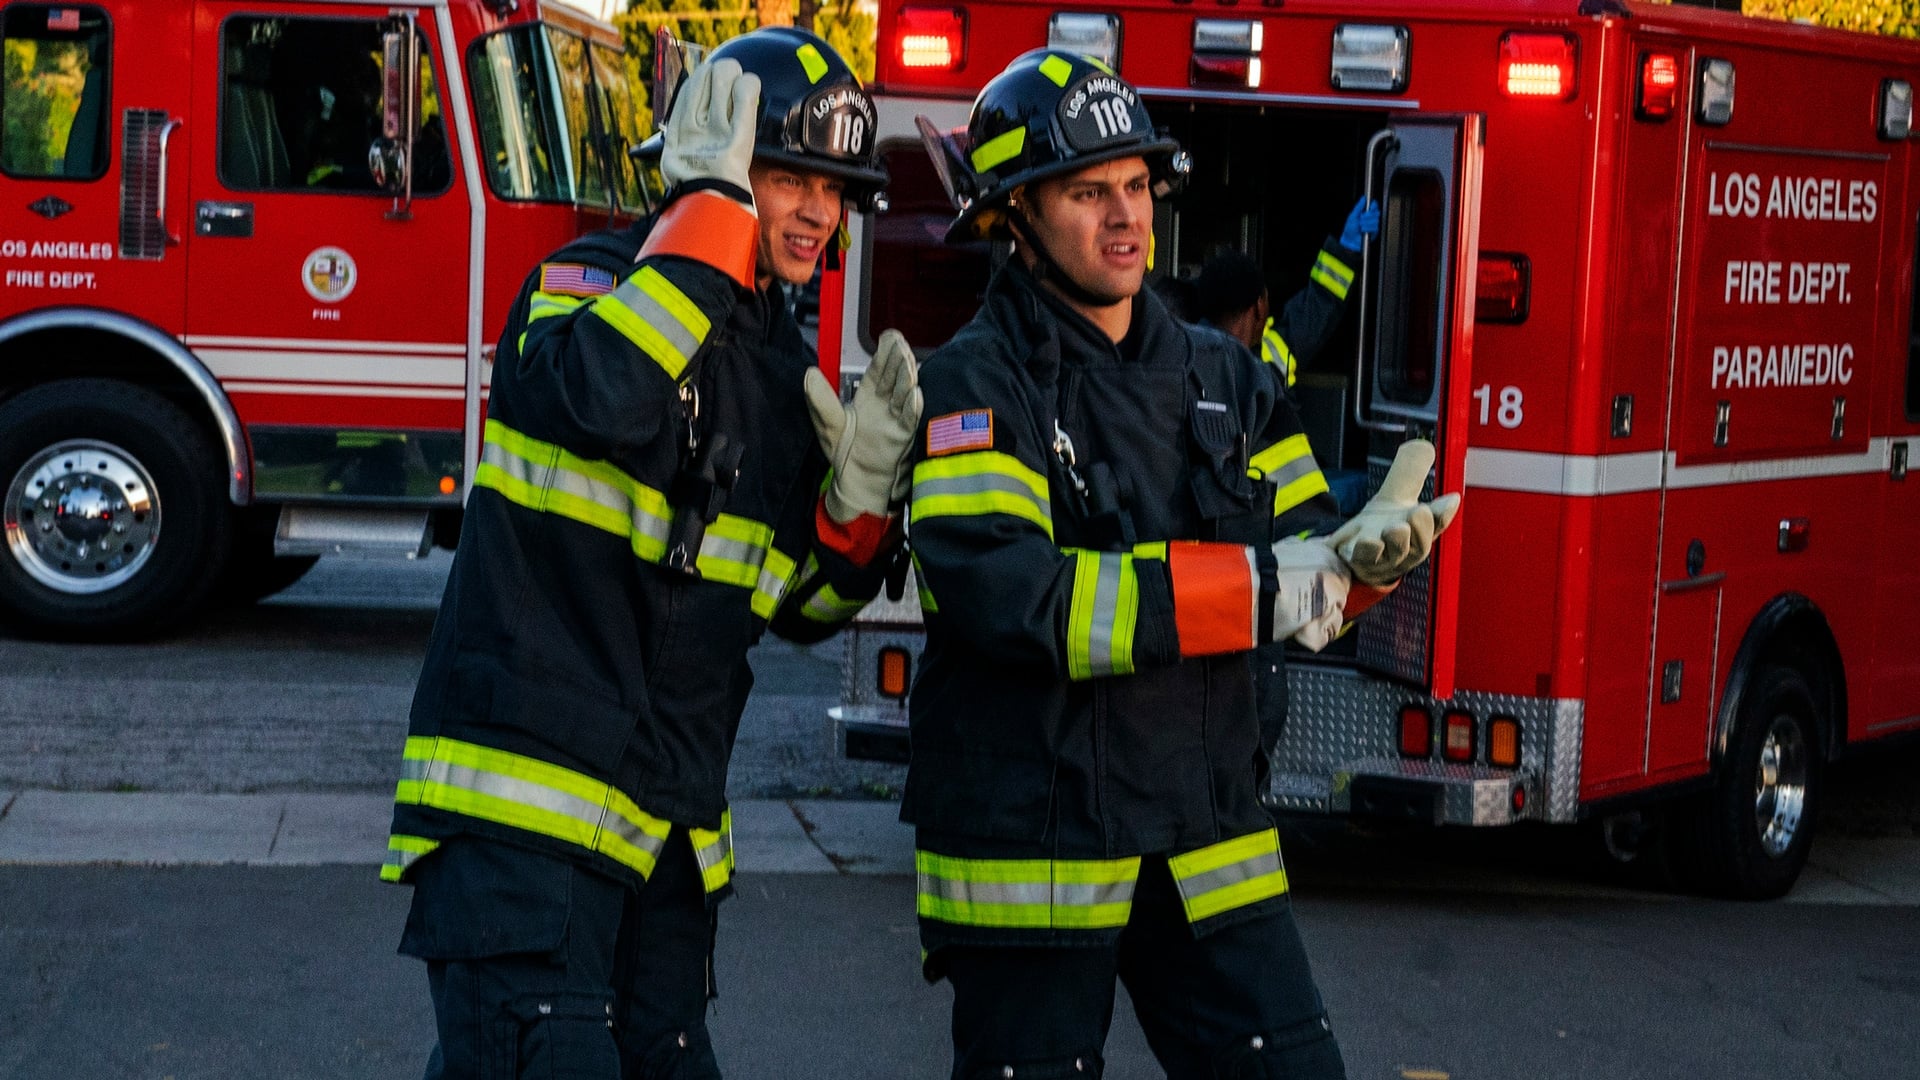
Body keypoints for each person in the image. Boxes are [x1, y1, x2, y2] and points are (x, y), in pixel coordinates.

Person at [904, 50, 1461, 1079]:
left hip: (1208, 832)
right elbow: (1028, 605)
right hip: (1040, 843)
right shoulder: (971, 389)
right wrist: (1272, 587)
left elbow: (1311, 574)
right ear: (1014, 215)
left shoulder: (1227, 377)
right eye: (1088, 192)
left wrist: (1367, 563)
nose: (1127, 216)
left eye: (1136, 185)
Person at [382, 27, 919, 1079]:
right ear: (714, 166)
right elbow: (595, 398)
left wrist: (856, 512)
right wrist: (707, 219)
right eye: (787, 177)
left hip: (664, 843)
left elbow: (793, 606)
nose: (819, 212)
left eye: (836, 190)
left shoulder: (777, 366)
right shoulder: (585, 284)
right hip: (523, 827)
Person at [1192, 196, 1378, 400]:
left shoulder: (1184, 355)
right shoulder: (1268, 358)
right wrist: (1347, 249)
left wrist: (1346, 250)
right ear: (1258, 306)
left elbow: (1313, 310)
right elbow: (1315, 311)